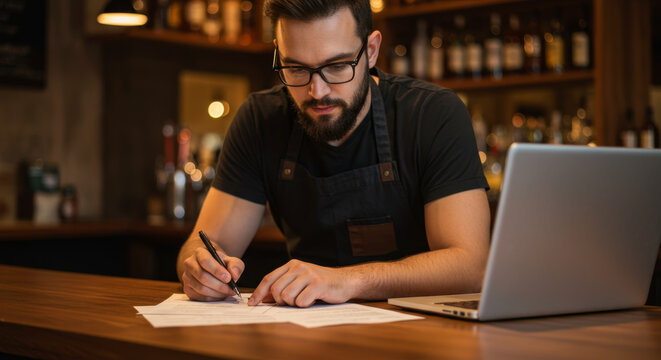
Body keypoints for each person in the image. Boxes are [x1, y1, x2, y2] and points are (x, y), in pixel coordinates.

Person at [177, 0, 491, 308]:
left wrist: (345, 281)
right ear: (278, 52)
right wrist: (200, 270)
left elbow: (469, 268)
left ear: (370, 51)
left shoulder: (433, 115)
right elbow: (204, 244)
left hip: (423, 337)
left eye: (337, 66)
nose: (318, 91)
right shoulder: (261, 120)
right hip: (305, 332)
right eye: (296, 68)